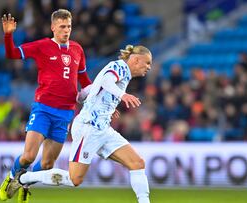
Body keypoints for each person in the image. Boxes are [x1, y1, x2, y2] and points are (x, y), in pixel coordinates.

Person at [10, 45, 152, 203]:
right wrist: (122, 95)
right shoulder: (119, 66)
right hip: (88, 128)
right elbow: (106, 81)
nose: (149, 67)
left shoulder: (124, 74)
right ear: (136, 59)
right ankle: (24, 178)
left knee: (137, 163)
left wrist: (95, 102)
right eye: (147, 63)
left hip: (103, 129)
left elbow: (92, 88)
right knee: (74, 179)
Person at [0, 9, 92, 203]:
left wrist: (97, 98)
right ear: (53, 27)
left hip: (65, 113)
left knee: (48, 163)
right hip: (43, 108)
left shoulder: (77, 49)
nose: (66, 31)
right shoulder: (42, 46)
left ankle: (24, 183)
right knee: (28, 157)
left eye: (69, 27)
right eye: (62, 27)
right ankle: (10, 179)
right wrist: (8, 35)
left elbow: (83, 79)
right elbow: (12, 53)